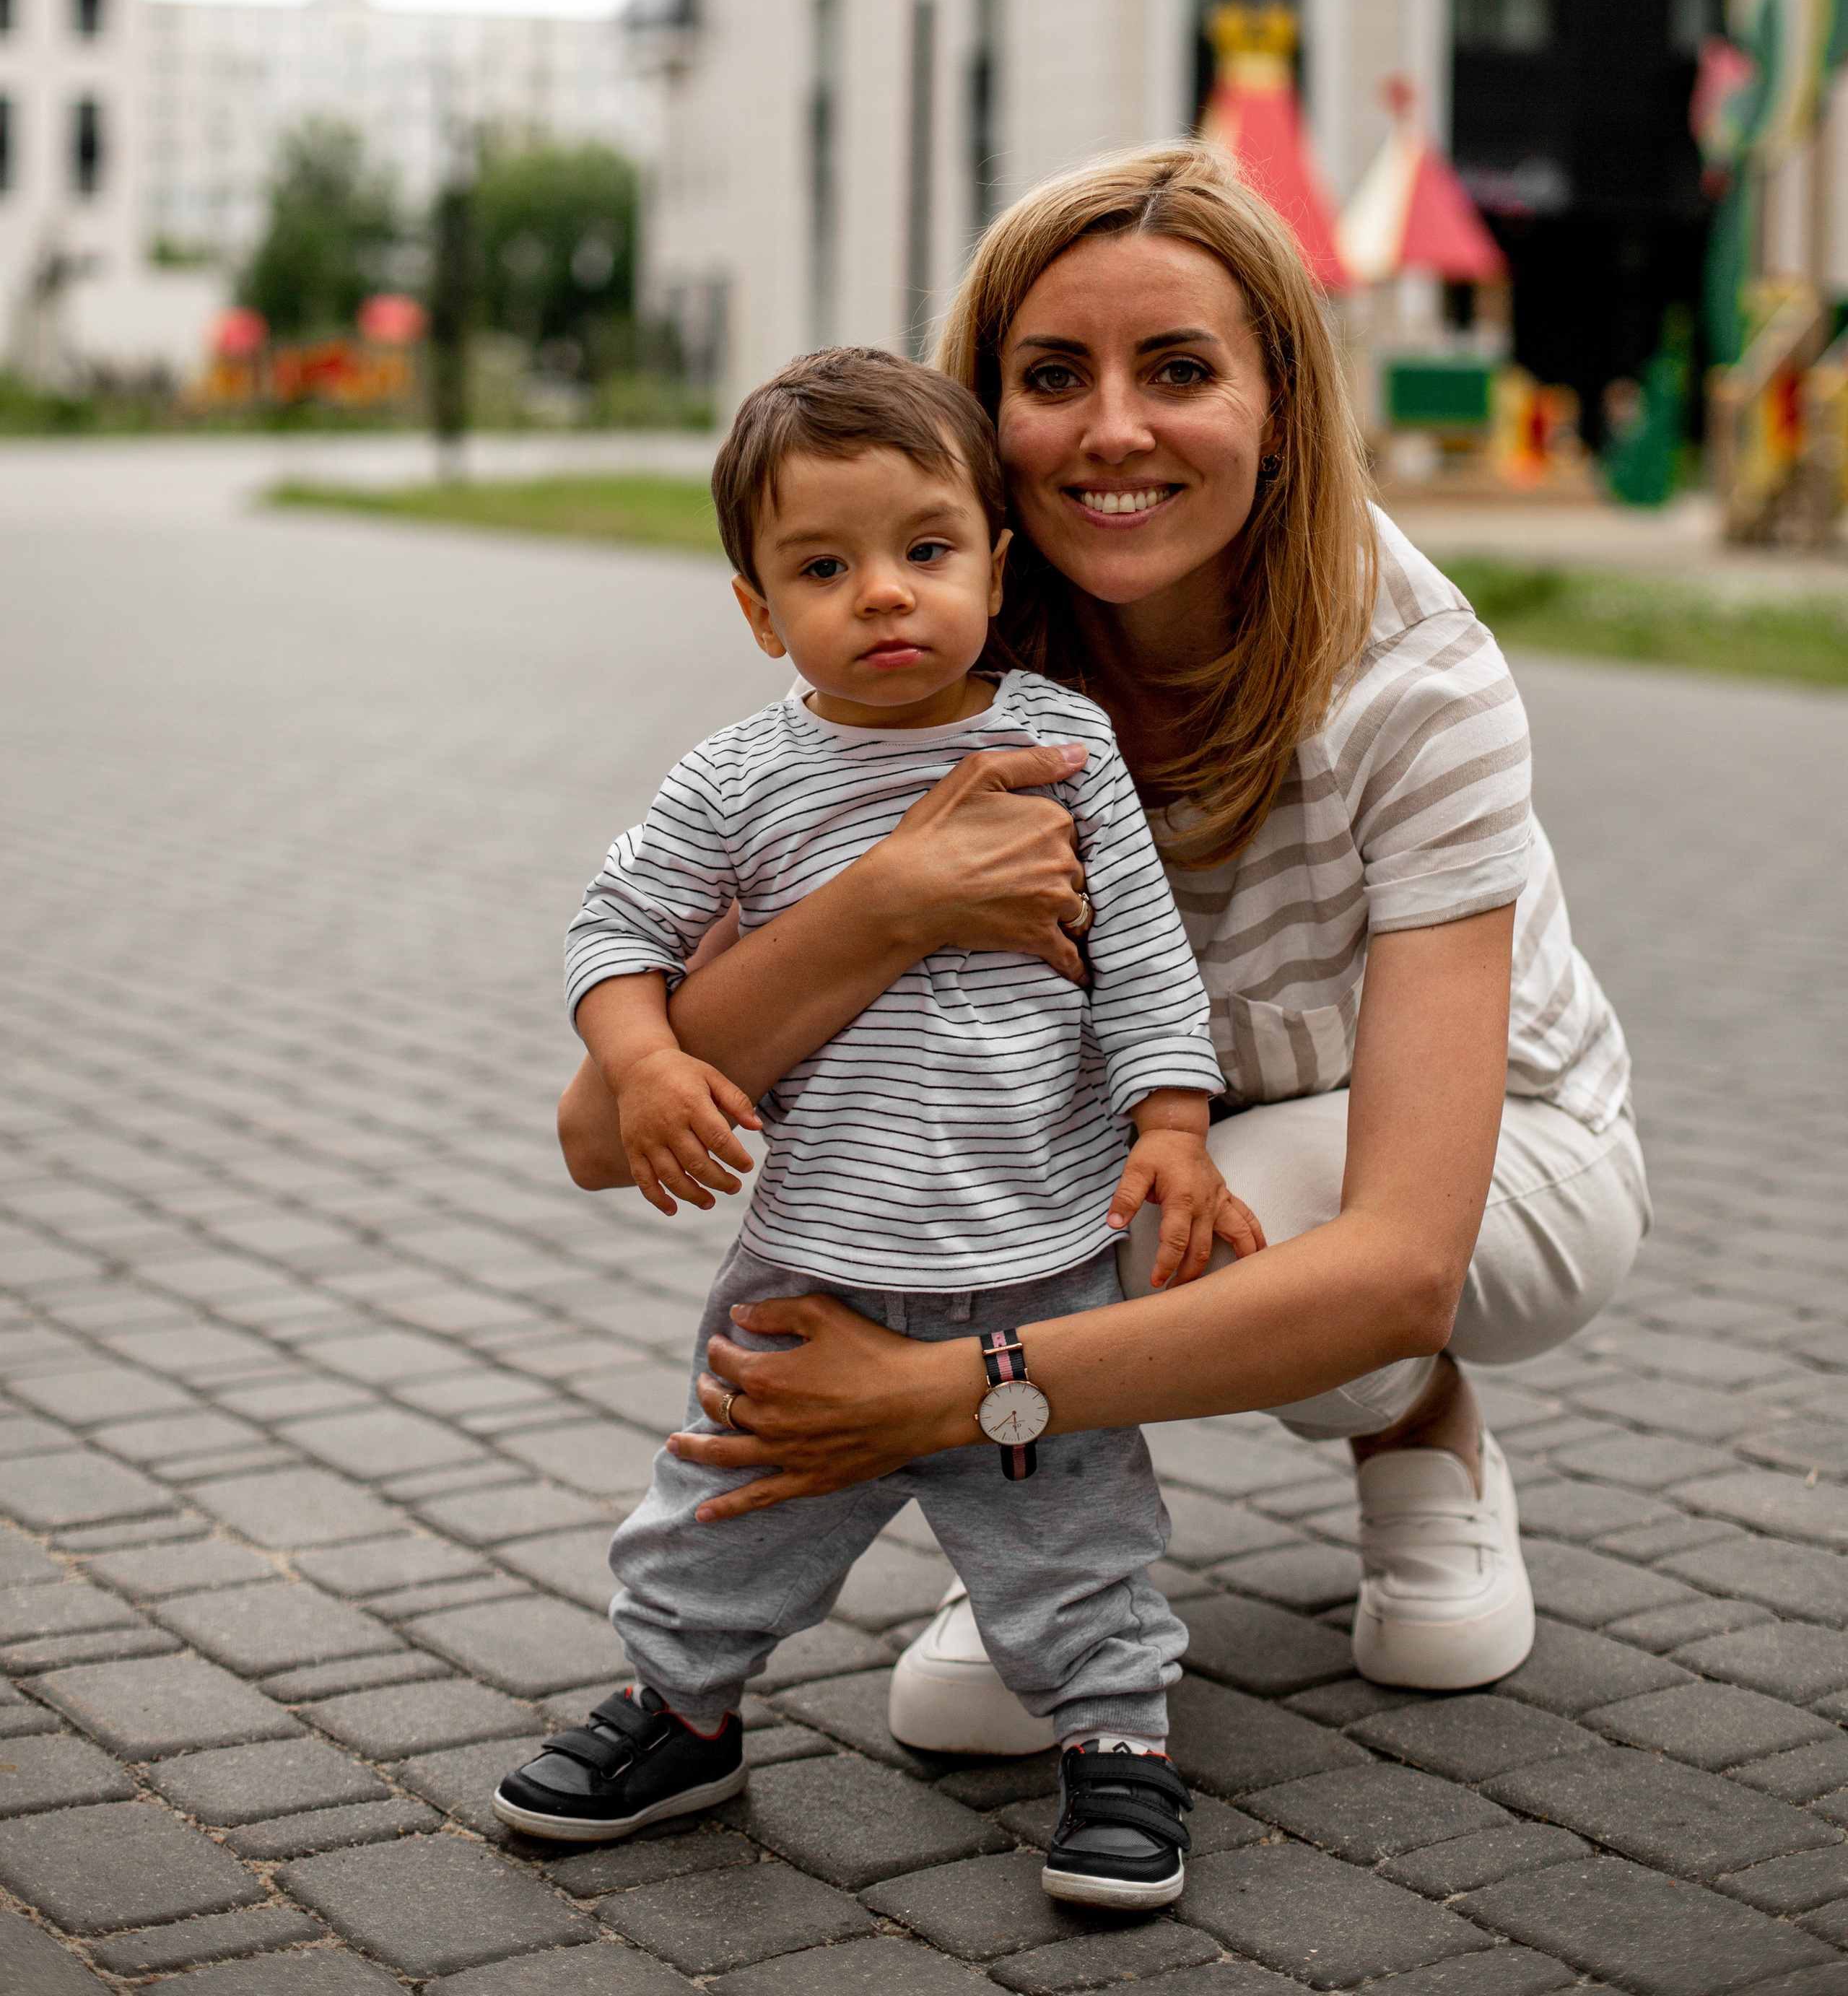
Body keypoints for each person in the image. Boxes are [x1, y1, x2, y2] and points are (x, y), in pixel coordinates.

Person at [548, 144, 1651, 1756]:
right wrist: (891, 901)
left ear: (1278, 405)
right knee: (1112, 1203)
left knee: (1194, 1220)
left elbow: (1408, 1248)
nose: (1115, 429)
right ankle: (1038, 1550)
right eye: (1053, 375)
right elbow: (598, 1130)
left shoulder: (1416, 683)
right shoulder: (928, 648)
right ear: (981, 419)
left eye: (1181, 370)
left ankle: (1405, 1425)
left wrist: (949, 1399)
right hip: (1165, 1158)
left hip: (1498, 1165)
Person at [493, 345, 1243, 1909]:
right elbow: (611, 927)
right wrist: (640, 1063)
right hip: (814, 1256)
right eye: (822, 568)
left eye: (923, 550)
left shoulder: (1059, 746)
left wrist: (1170, 1124)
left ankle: (1115, 1743)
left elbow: (1146, 958)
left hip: (1036, 1251)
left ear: (994, 558)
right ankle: (681, 1711)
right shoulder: (738, 777)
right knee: (722, 1503)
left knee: (1077, 1531)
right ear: (760, 612)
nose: (884, 597)